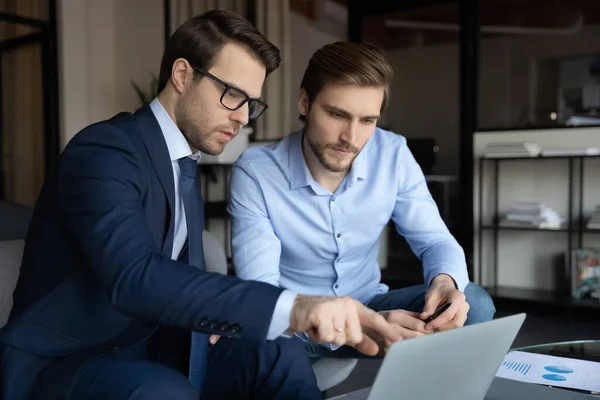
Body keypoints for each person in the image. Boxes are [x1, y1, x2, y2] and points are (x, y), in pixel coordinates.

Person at [0, 14, 403, 400]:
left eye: (251, 103)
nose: (243, 116)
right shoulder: (105, 150)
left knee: (278, 353)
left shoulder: (182, 162)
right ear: (182, 75)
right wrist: (296, 306)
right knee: (162, 391)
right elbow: (135, 276)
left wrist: (220, 319)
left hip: (157, 343)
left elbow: (180, 275)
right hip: (70, 360)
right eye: (232, 95)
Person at [228, 41, 496, 360]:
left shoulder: (392, 153)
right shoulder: (257, 171)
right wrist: (362, 325)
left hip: (371, 305)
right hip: (297, 324)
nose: (351, 139)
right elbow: (262, 295)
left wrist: (444, 281)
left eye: (367, 120)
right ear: (304, 103)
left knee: (471, 304)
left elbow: (435, 240)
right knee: (263, 344)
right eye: (337, 114)